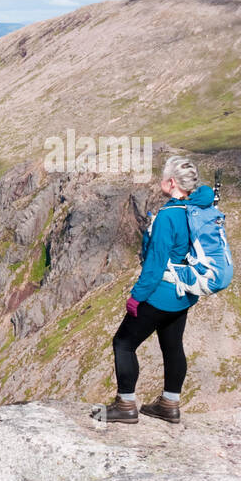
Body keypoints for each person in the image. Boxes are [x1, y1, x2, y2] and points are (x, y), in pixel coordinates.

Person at [100, 156, 216, 424]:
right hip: (183, 294)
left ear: (172, 183)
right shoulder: (198, 209)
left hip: (160, 293)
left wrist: (136, 297)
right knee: (173, 346)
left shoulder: (168, 217)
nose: (160, 180)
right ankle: (169, 404)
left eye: (163, 177)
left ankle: (126, 405)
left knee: (124, 343)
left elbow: (154, 264)